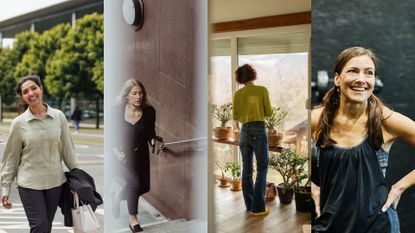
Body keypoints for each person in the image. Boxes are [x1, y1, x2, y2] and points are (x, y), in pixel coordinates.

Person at [311, 47, 415, 233]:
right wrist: (310, 185)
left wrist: (400, 186)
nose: (361, 79)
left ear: (374, 81)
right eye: (353, 71)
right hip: (330, 225)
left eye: (369, 73)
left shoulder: (386, 121)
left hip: (378, 226)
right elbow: (287, 146)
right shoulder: (317, 119)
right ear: (337, 79)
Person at [0, 75, 78, 233]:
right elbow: (11, 158)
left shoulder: (59, 117)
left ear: (41, 89)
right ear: (22, 97)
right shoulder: (19, 123)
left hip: (55, 183)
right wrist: (5, 188)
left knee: (46, 227)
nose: (31, 93)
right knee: (39, 227)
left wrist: (78, 179)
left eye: (34, 88)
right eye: (25, 91)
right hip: (29, 184)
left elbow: (68, 150)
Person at [112, 79, 162, 232]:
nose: (138, 96)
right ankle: (133, 219)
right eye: (134, 93)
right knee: (134, 184)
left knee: (144, 186)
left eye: (141, 93)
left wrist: (156, 142)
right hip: (121, 156)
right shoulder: (116, 112)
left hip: (140, 155)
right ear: (127, 95)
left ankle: (118, 196)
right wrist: (114, 150)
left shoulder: (149, 112)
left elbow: (150, 134)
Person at [232, 64, 273, 216]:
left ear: (240, 78)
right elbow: (268, 112)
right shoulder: (261, 90)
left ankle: (249, 205)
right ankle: (258, 207)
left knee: (247, 169)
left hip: (244, 131)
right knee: (262, 168)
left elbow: (236, 117)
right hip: (259, 129)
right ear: (253, 74)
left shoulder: (238, 94)